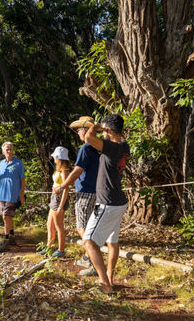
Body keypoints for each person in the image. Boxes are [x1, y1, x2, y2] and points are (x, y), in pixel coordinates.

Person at [81, 114, 129, 294]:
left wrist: (95, 127)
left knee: (89, 243)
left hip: (107, 203)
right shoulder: (124, 146)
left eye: (105, 130)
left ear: (108, 130)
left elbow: (88, 138)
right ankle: (109, 276)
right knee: (112, 241)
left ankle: (105, 285)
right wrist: (105, 129)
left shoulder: (111, 147)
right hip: (118, 202)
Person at [53, 116, 100, 275]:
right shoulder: (99, 148)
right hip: (96, 191)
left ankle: (94, 264)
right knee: (90, 227)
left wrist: (63, 185)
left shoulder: (86, 148)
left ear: (85, 131)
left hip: (86, 192)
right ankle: (88, 257)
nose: (78, 132)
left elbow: (77, 170)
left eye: (79, 129)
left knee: (83, 228)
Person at [41, 146, 71, 258]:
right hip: (54, 198)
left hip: (59, 200)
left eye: (55, 156)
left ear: (59, 157)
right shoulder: (58, 169)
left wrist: (60, 207)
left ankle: (61, 250)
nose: (53, 158)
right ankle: (49, 247)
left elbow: (66, 188)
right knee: (50, 224)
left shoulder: (64, 171)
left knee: (59, 226)